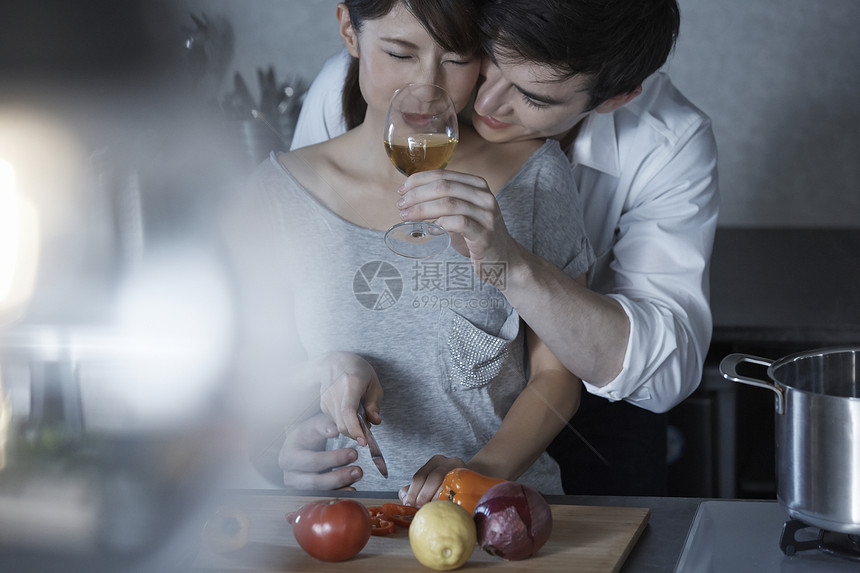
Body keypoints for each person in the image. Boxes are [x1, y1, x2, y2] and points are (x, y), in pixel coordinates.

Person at [289, 0, 719, 496]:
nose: (487, 103)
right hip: (412, 406)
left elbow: (666, 371)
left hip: (595, 397)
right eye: (486, 60)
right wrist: (292, 431)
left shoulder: (668, 142)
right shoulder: (365, 83)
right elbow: (311, 280)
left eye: (533, 97)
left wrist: (511, 266)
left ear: (613, 98)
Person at [225, 0, 593, 504]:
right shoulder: (277, 193)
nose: (428, 84)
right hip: (345, 523)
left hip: (497, 514)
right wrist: (286, 441)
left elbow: (558, 377)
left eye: (458, 59)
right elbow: (248, 382)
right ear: (349, 32)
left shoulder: (536, 178)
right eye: (400, 53)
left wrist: (476, 474)